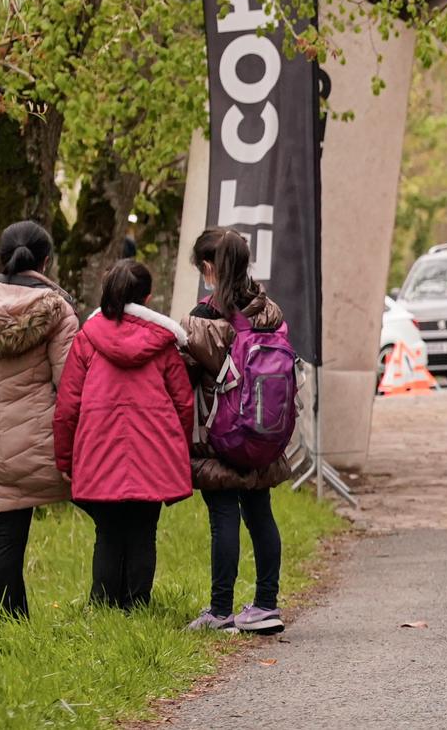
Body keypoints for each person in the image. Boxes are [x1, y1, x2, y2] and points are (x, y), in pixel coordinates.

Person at [54, 260, 194, 610]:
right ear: (147, 296)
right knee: (144, 531)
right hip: (154, 453)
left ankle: (103, 605)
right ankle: (138, 605)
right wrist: (181, 451)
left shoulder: (86, 340)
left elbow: (68, 406)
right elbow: (184, 404)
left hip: (98, 450)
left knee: (108, 532)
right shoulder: (163, 344)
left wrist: (65, 457)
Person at [181, 229, 295, 634]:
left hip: (221, 433)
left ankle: (220, 611)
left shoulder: (203, 319)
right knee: (261, 513)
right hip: (265, 430)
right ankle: (266, 604)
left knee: (223, 517)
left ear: (209, 268)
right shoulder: (270, 311)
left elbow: (187, 375)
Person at [0, 222, 78, 618]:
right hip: (31, 447)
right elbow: (71, 386)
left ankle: (10, 626)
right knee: (11, 541)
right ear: (46, 260)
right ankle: (14, 621)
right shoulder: (57, 310)